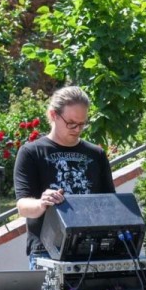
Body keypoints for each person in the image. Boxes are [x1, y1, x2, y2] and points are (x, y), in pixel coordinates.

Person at [14, 86, 116, 264]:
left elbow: (110, 202)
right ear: (54, 115)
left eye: (82, 124)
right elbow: (23, 206)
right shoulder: (31, 152)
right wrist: (42, 203)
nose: (77, 129)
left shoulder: (96, 154)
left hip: (91, 249)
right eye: (71, 123)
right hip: (47, 251)